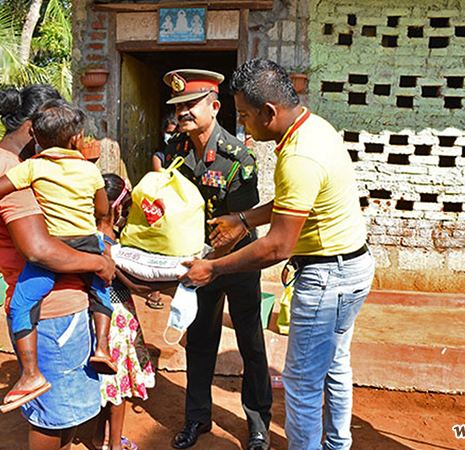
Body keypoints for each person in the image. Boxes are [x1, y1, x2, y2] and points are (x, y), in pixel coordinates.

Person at [180, 59, 375, 450]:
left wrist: (213, 268)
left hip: (326, 278)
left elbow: (278, 245)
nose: (245, 124)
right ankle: (337, 445)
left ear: (269, 112)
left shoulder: (297, 155)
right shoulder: (314, 127)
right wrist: (242, 217)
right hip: (350, 268)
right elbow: (295, 202)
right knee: (334, 368)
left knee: (301, 384)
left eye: (248, 116)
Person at [0, 85, 114, 450]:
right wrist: (99, 261)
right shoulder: (13, 171)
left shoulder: (20, 167)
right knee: (53, 418)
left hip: (54, 302)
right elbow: (39, 250)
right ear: (35, 128)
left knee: (63, 415)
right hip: (54, 308)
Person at [162, 69, 272, 450]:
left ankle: (258, 424)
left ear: (215, 106)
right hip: (198, 264)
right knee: (201, 342)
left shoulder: (238, 158)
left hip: (236, 263)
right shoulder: (175, 151)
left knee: (251, 344)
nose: (184, 113)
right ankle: (197, 419)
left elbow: (240, 227)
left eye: (192, 104)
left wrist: (209, 262)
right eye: (179, 106)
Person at [92, 174, 156, 450]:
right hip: (114, 315)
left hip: (96, 314)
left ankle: (98, 437)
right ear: (117, 209)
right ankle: (116, 445)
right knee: (118, 387)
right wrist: (171, 279)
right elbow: (132, 283)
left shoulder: (91, 233)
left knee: (106, 382)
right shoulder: (107, 242)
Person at [146, 111, 179, 310]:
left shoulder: (185, 153)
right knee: (159, 248)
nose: (170, 137)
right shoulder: (159, 156)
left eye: (174, 133)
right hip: (164, 204)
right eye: (168, 133)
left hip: (180, 206)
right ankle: (155, 293)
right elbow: (161, 179)